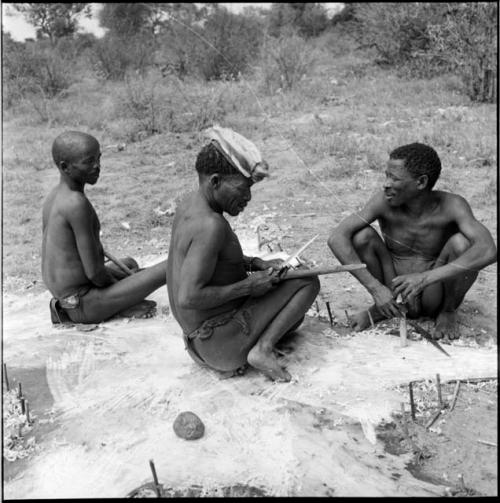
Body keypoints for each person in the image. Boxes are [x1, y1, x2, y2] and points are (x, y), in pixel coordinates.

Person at [167, 126, 320, 382]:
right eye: (242, 188)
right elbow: (188, 297)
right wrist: (248, 286)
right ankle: (261, 350)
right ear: (215, 181)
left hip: (199, 344)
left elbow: (213, 260)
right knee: (307, 280)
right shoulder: (210, 226)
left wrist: (256, 263)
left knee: (294, 319)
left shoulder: (189, 206)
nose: (248, 196)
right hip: (220, 344)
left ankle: (245, 347)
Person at [328, 142, 497, 339]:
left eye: (394, 178)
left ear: (421, 182)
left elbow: (488, 250)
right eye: (386, 175)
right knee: (362, 236)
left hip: (435, 290)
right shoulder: (383, 200)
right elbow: (336, 238)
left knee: (462, 244)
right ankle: (383, 307)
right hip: (393, 285)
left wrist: (425, 278)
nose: (386, 184)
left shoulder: (452, 205)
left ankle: (448, 311)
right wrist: (376, 288)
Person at [42, 130, 167, 325]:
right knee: (168, 267)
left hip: (67, 298)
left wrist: (131, 277)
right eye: (88, 161)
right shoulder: (76, 204)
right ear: (65, 167)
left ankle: (122, 301)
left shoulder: (55, 196)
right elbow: (96, 275)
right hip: (84, 304)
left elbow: (83, 263)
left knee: (130, 264)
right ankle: (122, 307)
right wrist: (128, 285)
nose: (97, 167)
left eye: (99, 159)